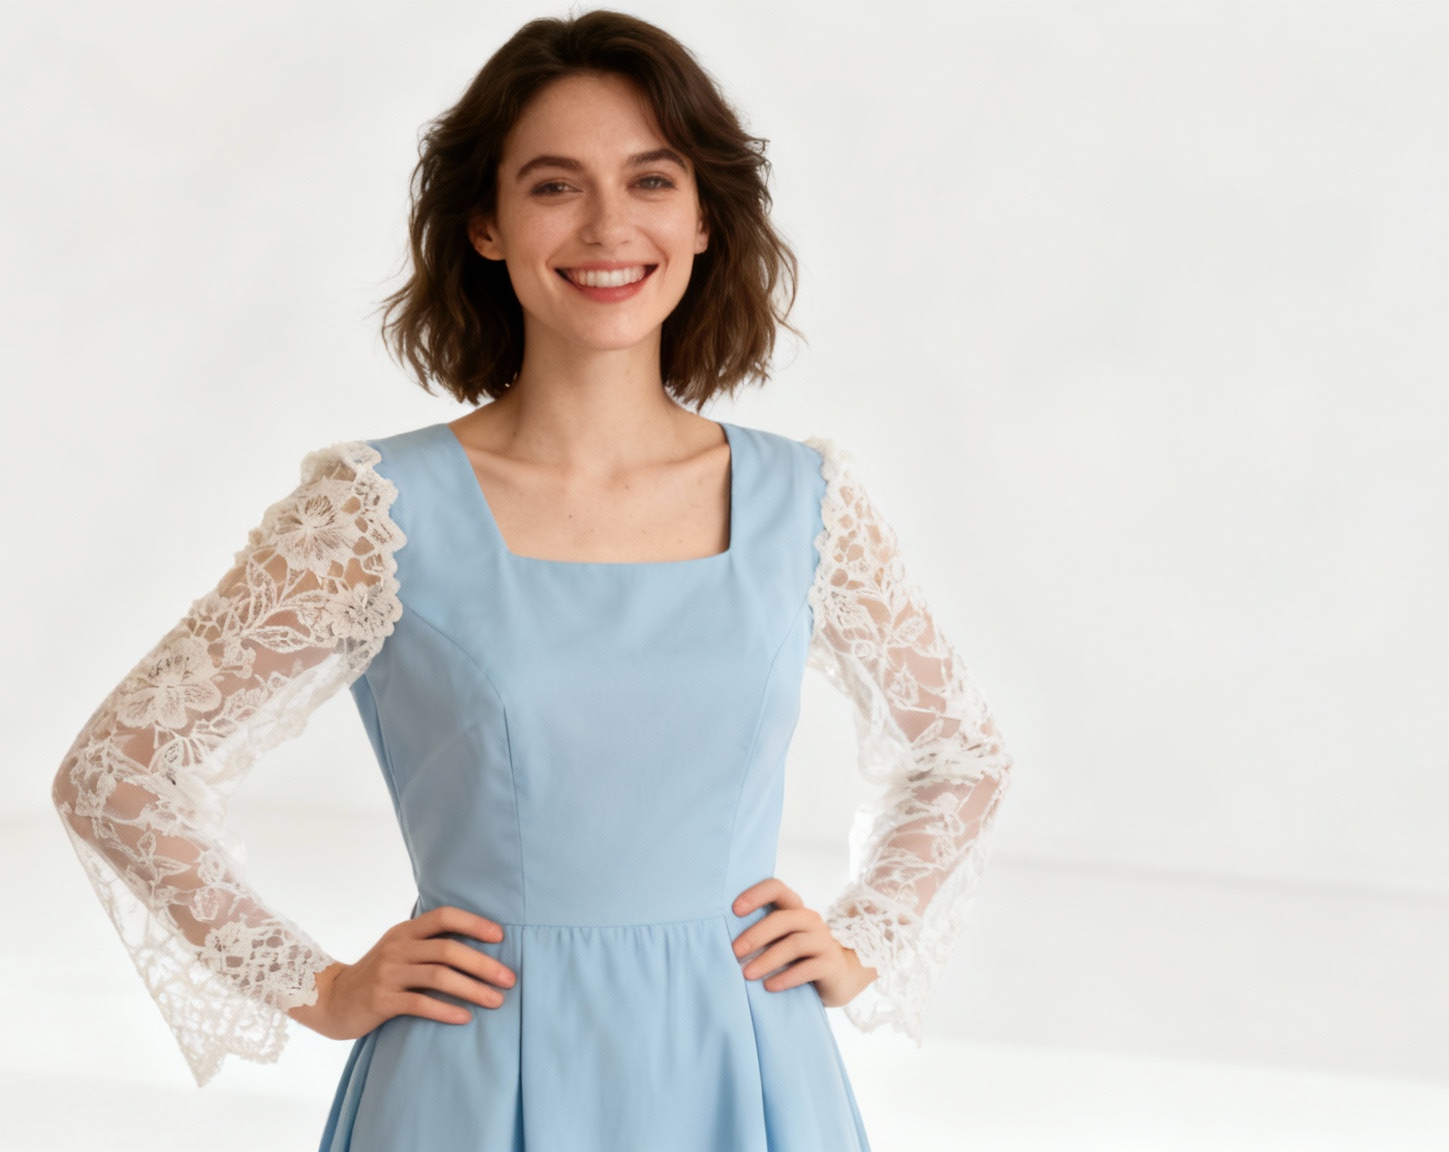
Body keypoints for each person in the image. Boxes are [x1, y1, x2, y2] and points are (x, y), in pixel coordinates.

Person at [49, 10, 1014, 1150]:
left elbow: (959, 754)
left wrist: (865, 942)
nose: (609, 224)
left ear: (703, 216)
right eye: (554, 186)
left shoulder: (802, 504)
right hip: (471, 1071)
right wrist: (316, 987)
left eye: (650, 179)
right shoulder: (372, 513)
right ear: (486, 226)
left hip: (740, 1063)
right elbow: (118, 773)